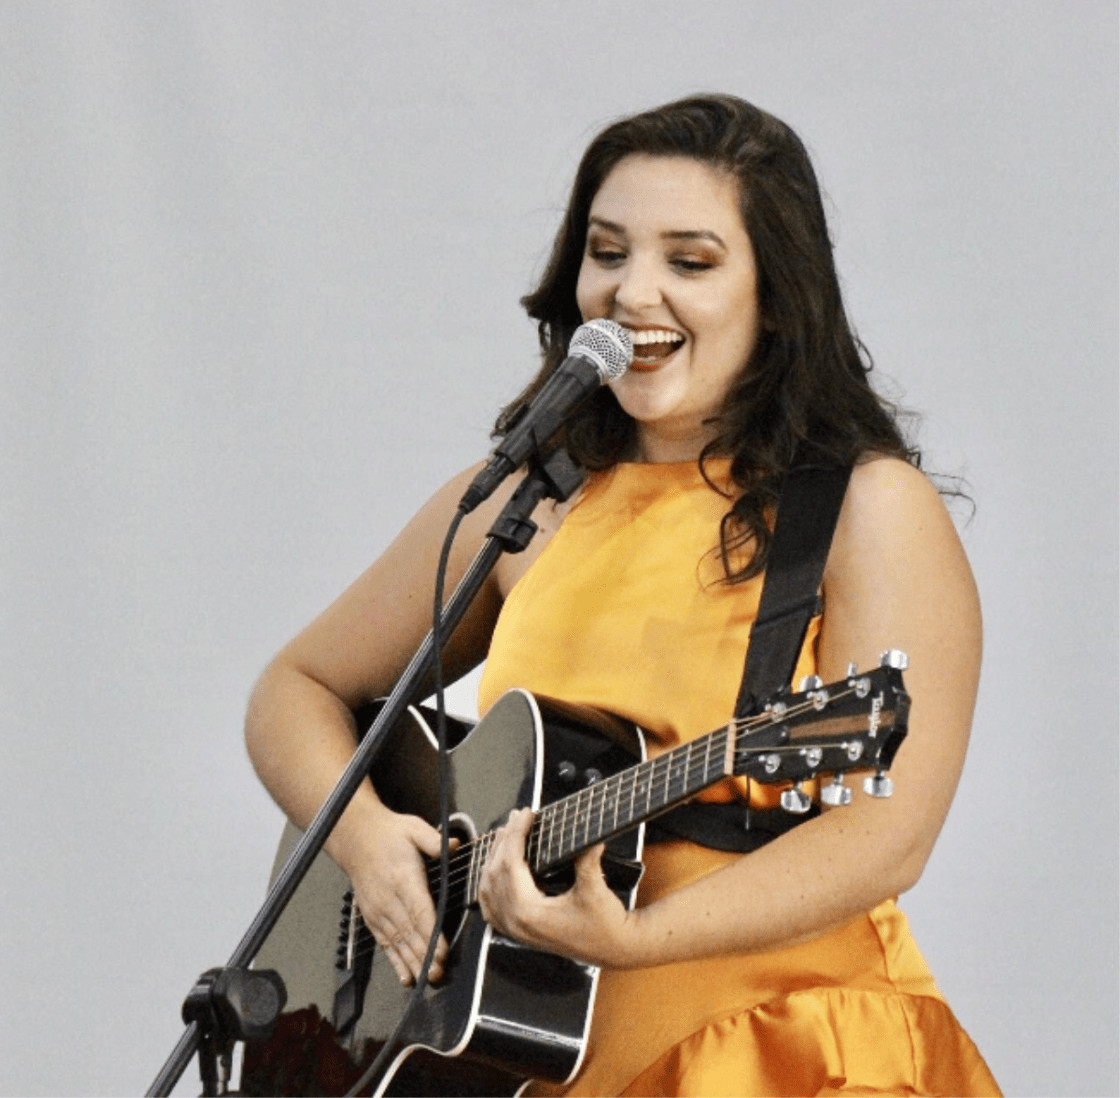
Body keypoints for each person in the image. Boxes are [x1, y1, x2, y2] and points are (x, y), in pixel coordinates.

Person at [245, 94, 1000, 1096]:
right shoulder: (526, 503)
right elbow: (293, 688)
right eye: (608, 253)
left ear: (777, 295)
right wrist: (371, 844)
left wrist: (636, 937)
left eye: (690, 262)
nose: (634, 292)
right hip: (540, 1063)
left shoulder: (866, 507)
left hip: (785, 1049)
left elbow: (886, 837)